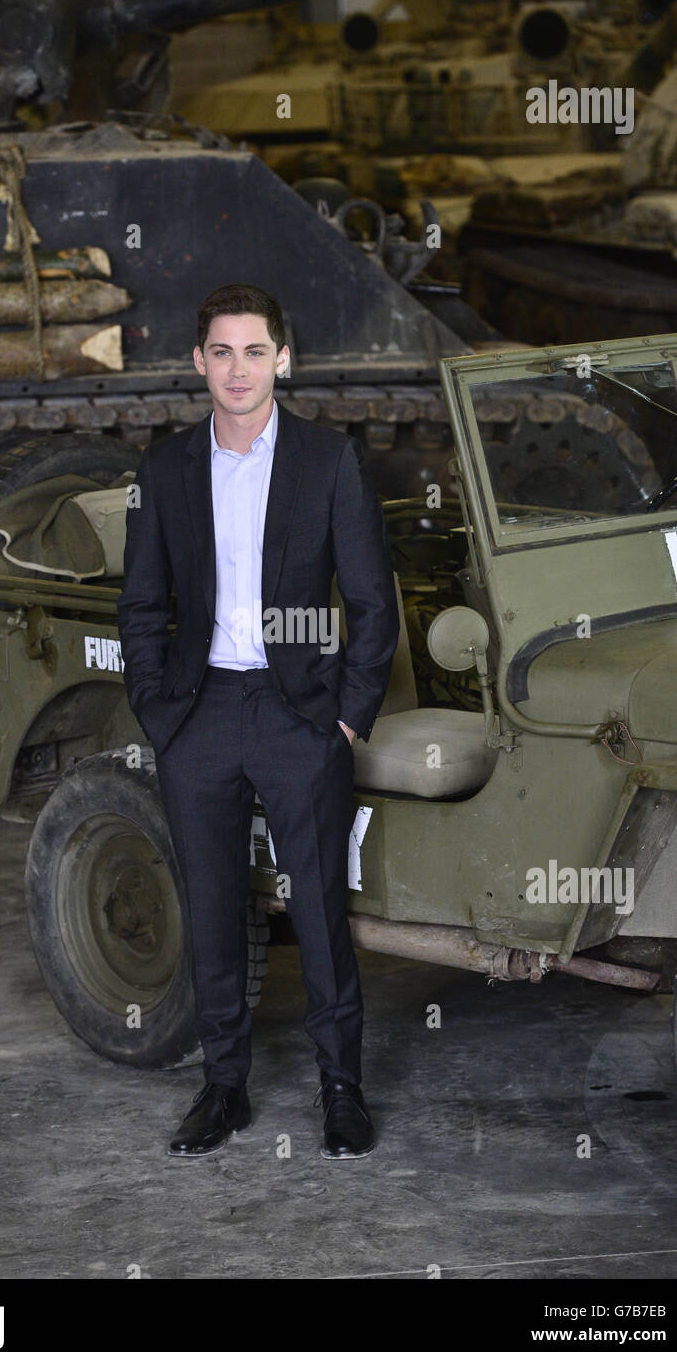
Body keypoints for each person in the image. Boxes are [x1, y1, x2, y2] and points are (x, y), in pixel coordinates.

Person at [117, 283, 399, 1159]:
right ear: (198, 362)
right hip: (198, 718)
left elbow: (370, 604)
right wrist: (162, 713)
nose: (237, 370)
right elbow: (139, 607)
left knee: (317, 909)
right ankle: (224, 1088)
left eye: (254, 351)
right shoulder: (164, 469)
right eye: (220, 352)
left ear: (283, 359)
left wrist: (345, 722)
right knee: (210, 910)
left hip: (297, 718)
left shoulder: (327, 461)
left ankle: (340, 1089)